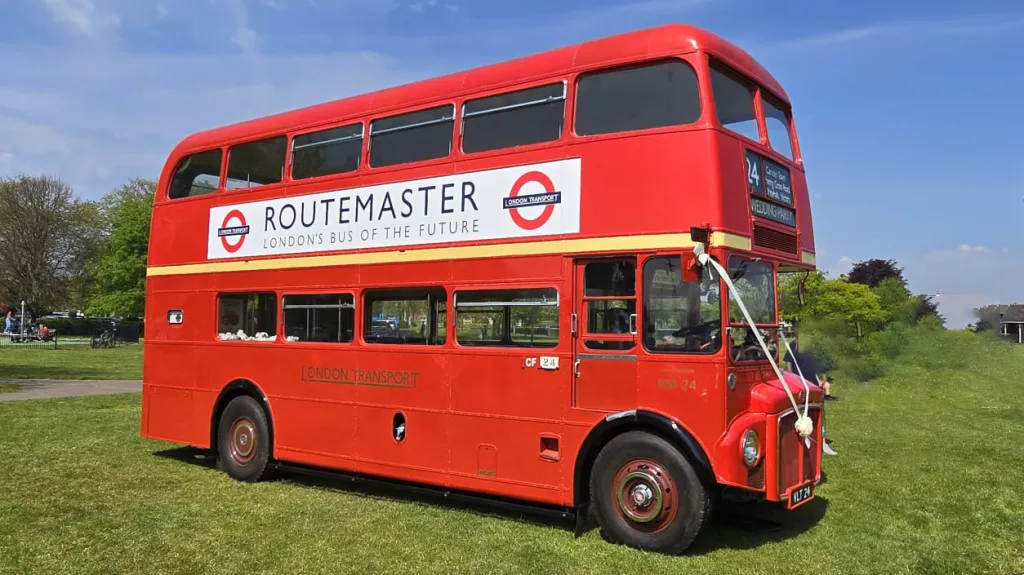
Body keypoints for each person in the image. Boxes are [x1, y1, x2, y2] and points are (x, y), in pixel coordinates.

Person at [783, 346, 838, 456]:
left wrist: (820, 381)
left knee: (819, 414)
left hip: (813, 386)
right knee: (801, 415)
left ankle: (823, 444)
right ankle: (804, 442)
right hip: (800, 387)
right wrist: (792, 384)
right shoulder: (793, 346)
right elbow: (788, 367)